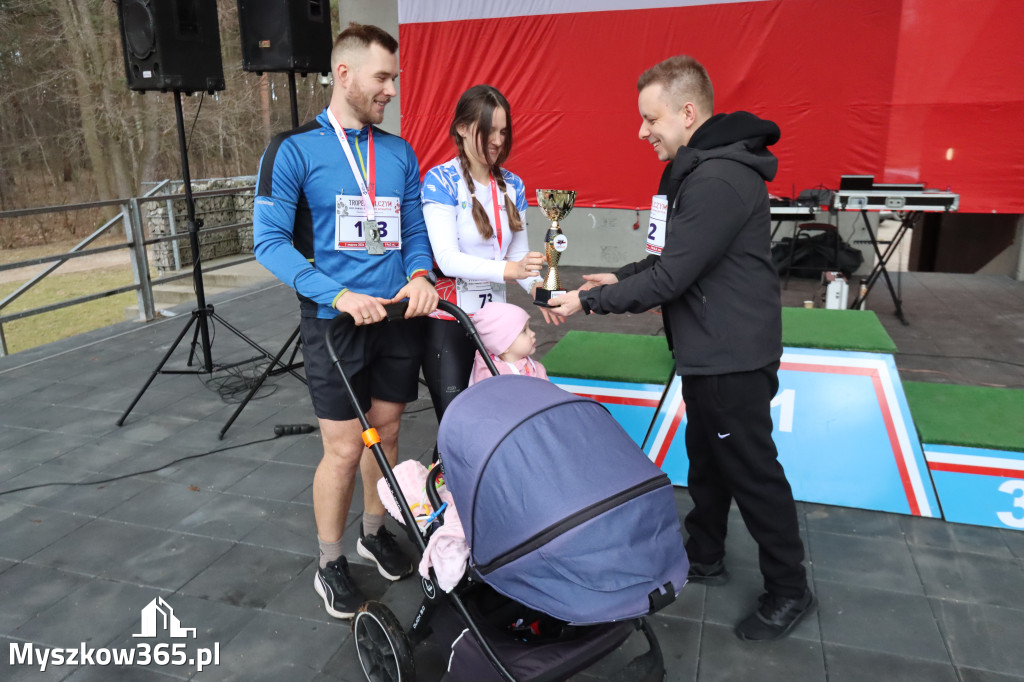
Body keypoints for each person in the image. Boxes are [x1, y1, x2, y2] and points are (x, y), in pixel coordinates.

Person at [547, 55, 814, 641]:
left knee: (753, 473)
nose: (642, 131)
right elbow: (667, 258)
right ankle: (707, 553)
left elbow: (672, 279)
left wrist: (586, 304)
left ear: (688, 112)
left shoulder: (718, 178)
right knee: (707, 460)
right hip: (708, 353)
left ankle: (790, 589)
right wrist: (615, 278)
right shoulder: (691, 171)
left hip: (731, 358)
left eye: (651, 118)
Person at [252, 23, 439, 620]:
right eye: (382, 77)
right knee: (340, 449)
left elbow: (413, 231)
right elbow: (269, 242)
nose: (390, 90)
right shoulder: (294, 150)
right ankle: (330, 562)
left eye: (394, 78)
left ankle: (372, 529)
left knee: (385, 435)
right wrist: (333, 294)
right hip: (335, 324)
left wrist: (419, 276)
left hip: (396, 316)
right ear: (344, 74)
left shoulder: (399, 151)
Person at [420, 84, 551, 421]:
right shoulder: (441, 180)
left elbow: (521, 257)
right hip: (448, 319)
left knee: (497, 421)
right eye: (489, 130)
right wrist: (512, 270)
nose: (498, 140)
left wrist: (547, 293)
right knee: (457, 425)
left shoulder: (513, 184)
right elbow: (447, 258)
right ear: (462, 128)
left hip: (496, 324)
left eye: (504, 132)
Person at [466, 301, 548, 385]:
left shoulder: (534, 367)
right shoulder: (492, 378)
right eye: (524, 331)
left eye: (529, 328)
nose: (532, 333)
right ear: (504, 346)